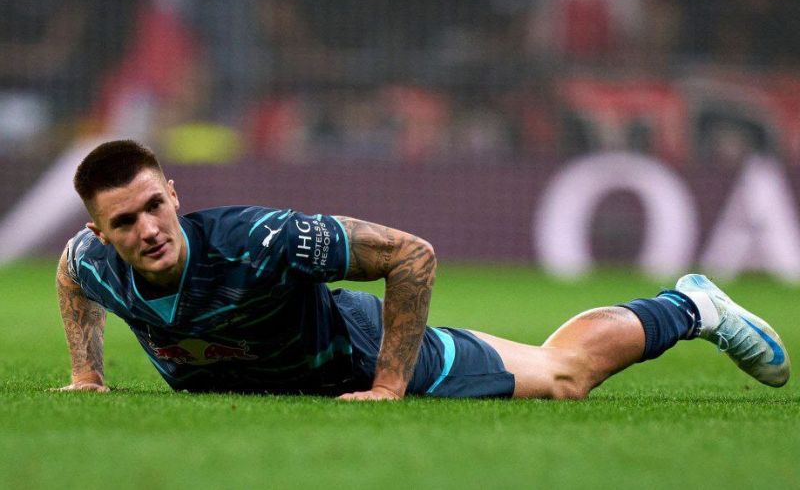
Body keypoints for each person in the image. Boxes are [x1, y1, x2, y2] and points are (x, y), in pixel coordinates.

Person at [55, 140, 791, 399]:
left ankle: (693, 307)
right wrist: (88, 373)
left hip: (359, 348)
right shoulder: (93, 262)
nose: (148, 229)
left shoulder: (263, 239)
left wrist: (387, 384)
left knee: (563, 376)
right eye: (125, 221)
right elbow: (68, 274)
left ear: (174, 193)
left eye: (155, 205)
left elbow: (412, 254)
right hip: (292, 377)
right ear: (100, 231)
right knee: (552, 365)